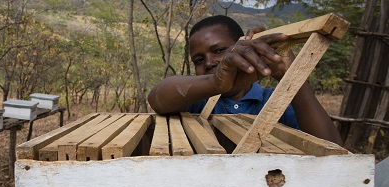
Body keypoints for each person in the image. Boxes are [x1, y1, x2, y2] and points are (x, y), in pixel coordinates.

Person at [147, 15, 343, 146]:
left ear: (246, 47)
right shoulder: (198, 100)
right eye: (199, 60)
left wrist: (292, 77)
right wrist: (215, 83)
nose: (209, 62)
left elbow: (333, 149)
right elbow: (157, 98)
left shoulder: (276, 101)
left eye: (218, 51)